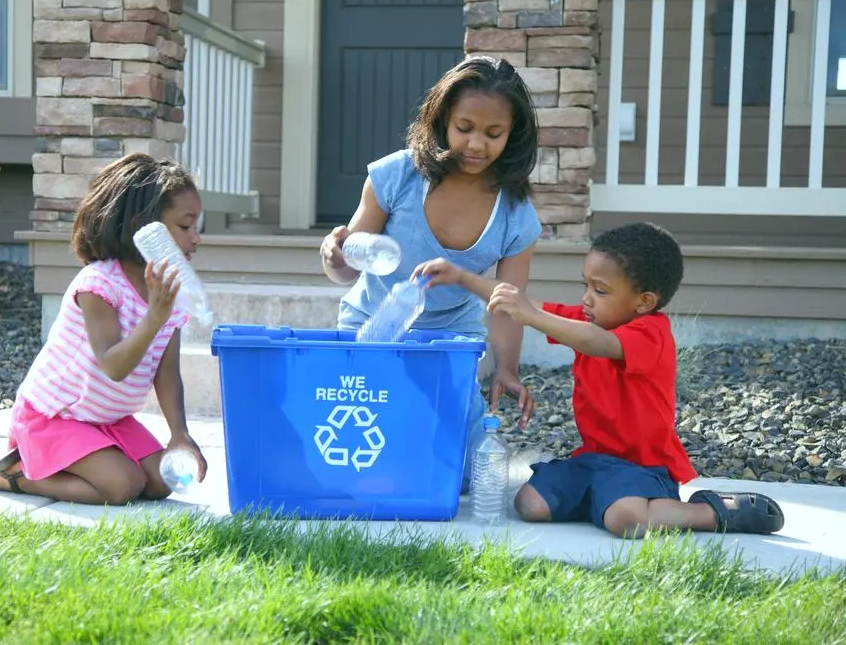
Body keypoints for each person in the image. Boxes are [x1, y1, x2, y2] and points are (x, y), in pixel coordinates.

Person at [446, 221, 781, 537]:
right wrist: (460, 276)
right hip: (593, 461)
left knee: (627, 521)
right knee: (530, 504)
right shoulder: (589, 320)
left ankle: (710, 511)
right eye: (586, 285)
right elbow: (517, 300)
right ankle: (603, 502)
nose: (586, 298)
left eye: (600, 290)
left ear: (644, 302)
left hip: (643, 468)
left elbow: (597, 343)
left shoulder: (650, 334)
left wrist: (532, 316)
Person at [320, 55, 545, 490]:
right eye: (465, 128)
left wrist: (507, 368)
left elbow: (507, 304)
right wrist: (335, 256)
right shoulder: (396, 177)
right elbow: (347, 269)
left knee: (463, 477)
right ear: (442, 119)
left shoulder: (516, 214)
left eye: (493, 133)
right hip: (372, 328)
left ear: (513, 134)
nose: (476, 144)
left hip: (450, 340)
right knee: (367, 447)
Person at [0, 153, 209, 505]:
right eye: (185, 227)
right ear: (145, 228)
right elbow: (113, 365)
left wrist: (180, 434)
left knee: (162, 481)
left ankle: (91, 460)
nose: (196, 238)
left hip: (108, 420)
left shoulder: (170, 294)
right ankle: (17, 475)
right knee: (122, 486)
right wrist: (154, 317)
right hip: (54, 417)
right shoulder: (100, 284)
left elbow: (167, 373)